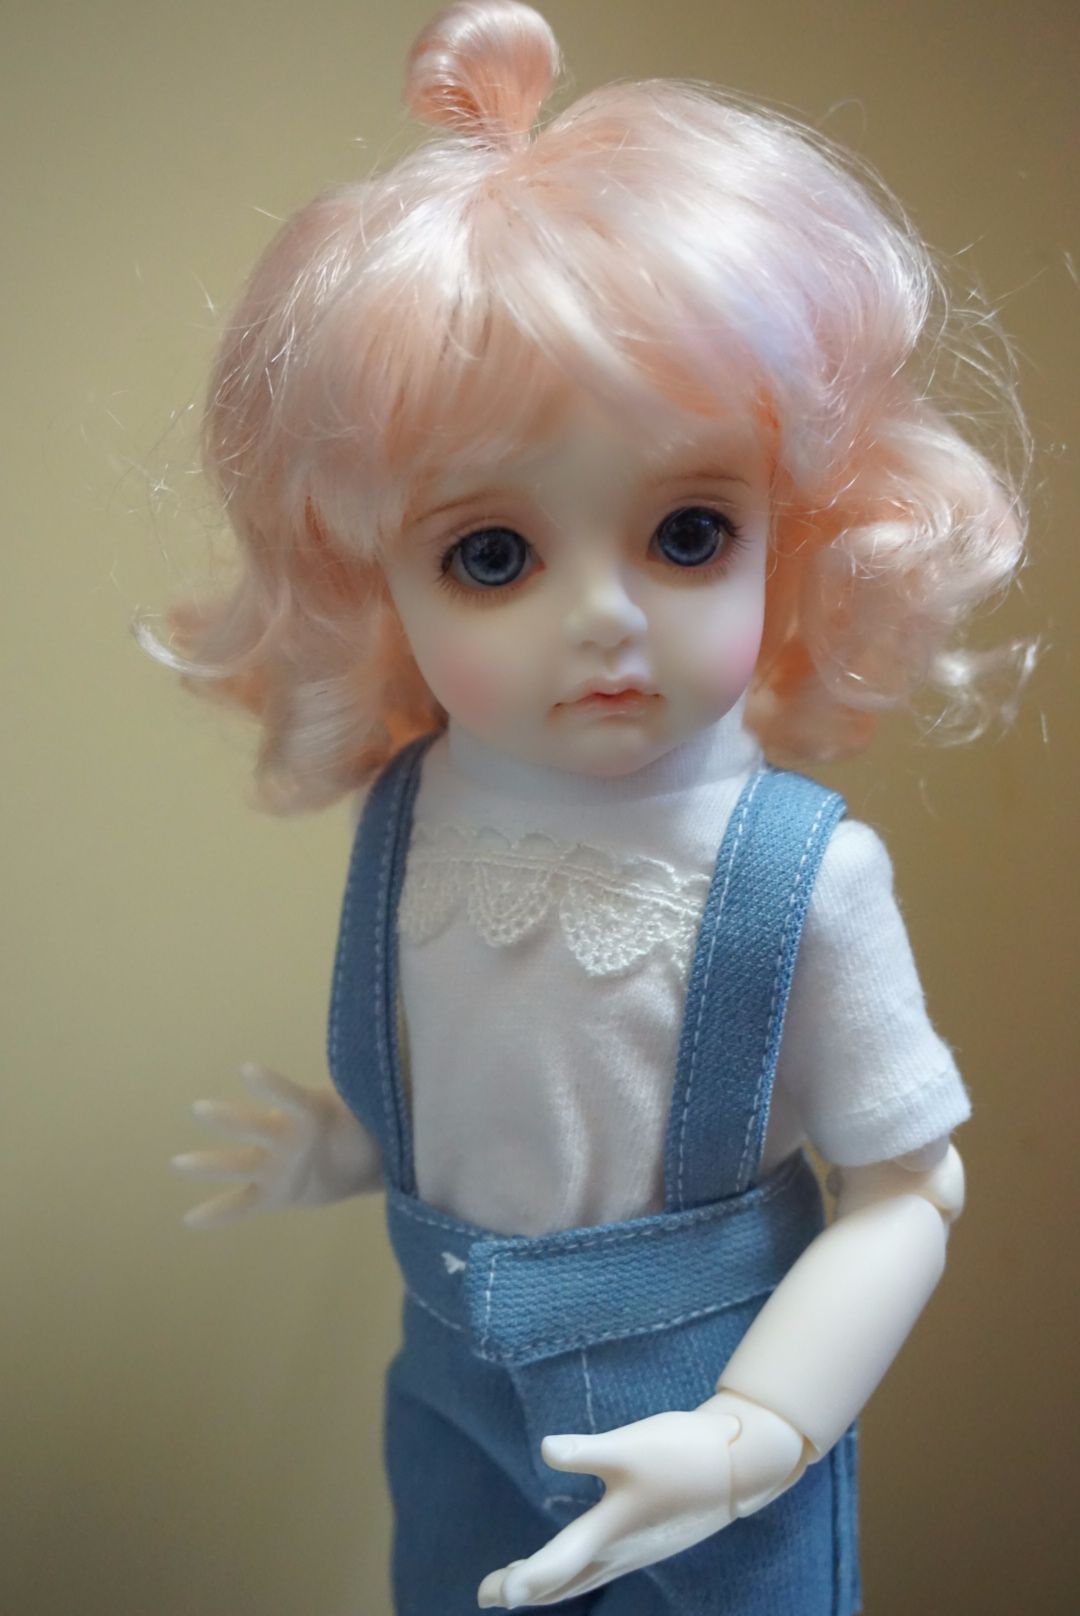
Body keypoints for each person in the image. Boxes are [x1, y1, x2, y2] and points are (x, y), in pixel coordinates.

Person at [154, 3, 1030, 1610]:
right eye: (492, 555)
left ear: (804, 526)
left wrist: (760, 1432)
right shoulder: (410, 812)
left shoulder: (802, 878)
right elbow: (500, 1060)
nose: (607, 618)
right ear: (370, 577)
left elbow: (912, 1187)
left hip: (717, 1422)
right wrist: (355, 1141)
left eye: (689, 532)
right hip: (452, 1398)